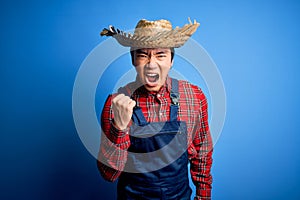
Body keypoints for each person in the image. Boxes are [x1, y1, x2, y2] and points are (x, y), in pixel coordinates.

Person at [97, 18, 213, 200]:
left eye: (161, 55)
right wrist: (119, 127)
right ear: (133, 60)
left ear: (171, 60)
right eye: (143, 55)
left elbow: (202, 153)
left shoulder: (193, 97)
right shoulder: (116, 104)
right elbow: (109, 175)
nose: (152, 64)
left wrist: (203, 197)